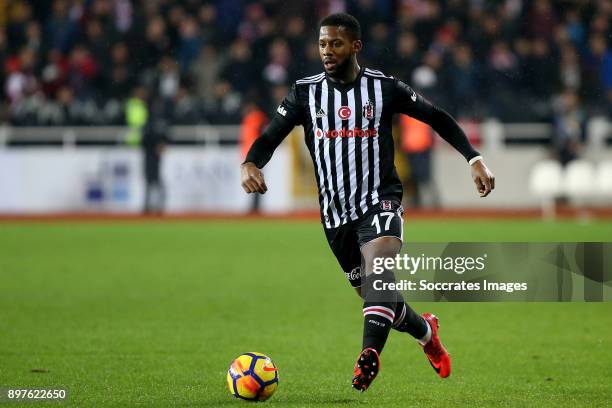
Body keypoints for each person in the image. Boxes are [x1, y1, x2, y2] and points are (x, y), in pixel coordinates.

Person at [240, 13, 495, 392]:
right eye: (323, 44)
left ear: (355, 46)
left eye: (336, 43)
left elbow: (435, 116)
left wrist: (473, 158)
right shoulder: (305, 92)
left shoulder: (384, 88)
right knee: (380, 298)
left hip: (381, 200)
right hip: (335, 214)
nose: (327, 51)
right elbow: (271, 134)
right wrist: (251, 162)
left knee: (379, 273)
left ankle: (369, 355)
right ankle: (427, 333)